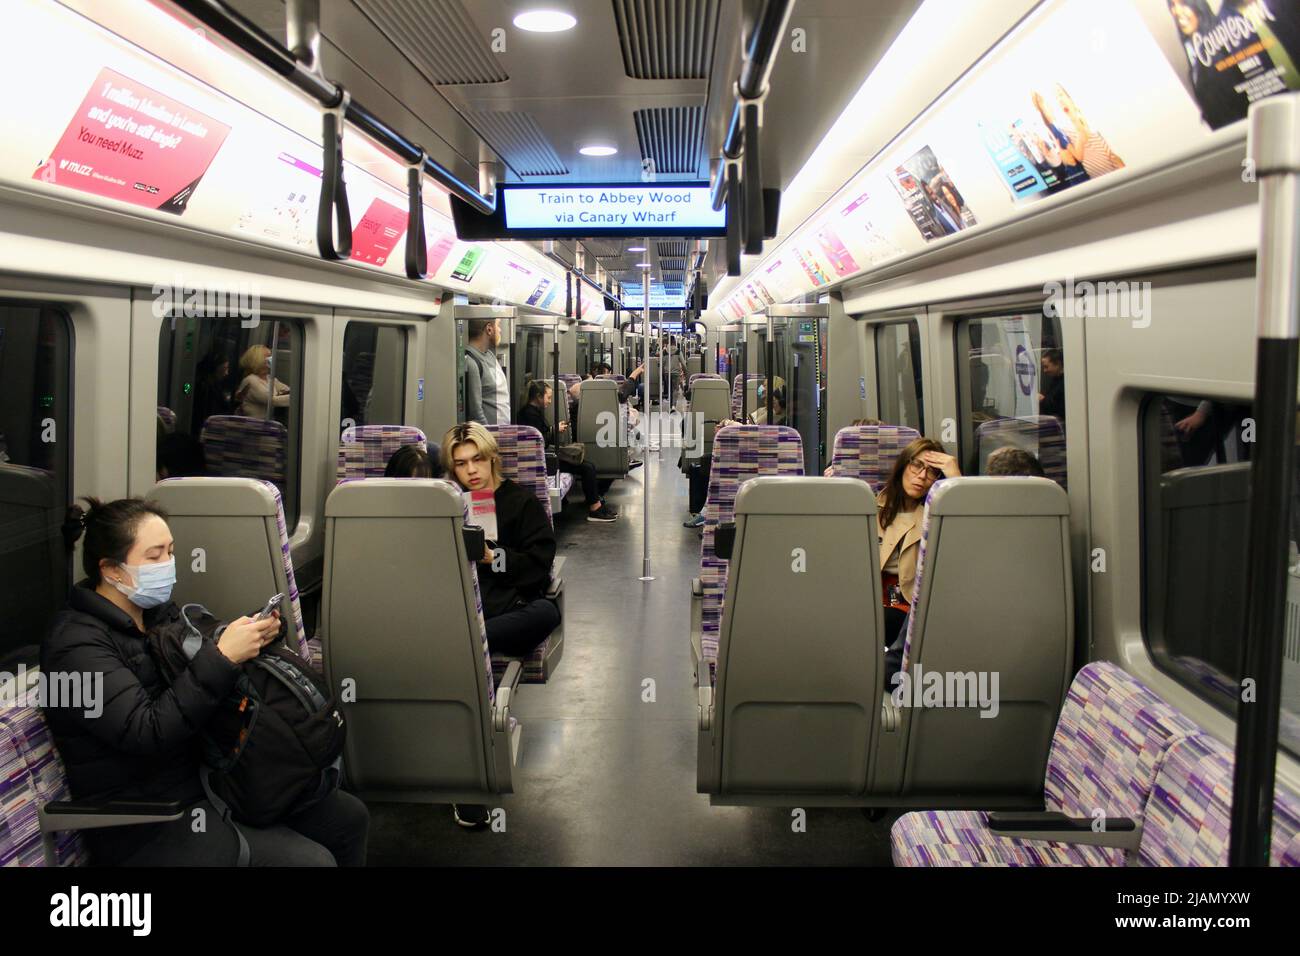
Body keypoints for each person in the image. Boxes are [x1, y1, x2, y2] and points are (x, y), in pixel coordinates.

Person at [42, 496, 369, 865]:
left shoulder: (154, 614)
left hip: (205, 778)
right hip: (146, 818)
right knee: (310, 862)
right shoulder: (75, 645)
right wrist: (223, 657)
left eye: (171, 552)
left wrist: (248, 636)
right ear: (112, 570)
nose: (168, 564)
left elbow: (199, 658)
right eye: (154, 556)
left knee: (347, 819)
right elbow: (147, 730)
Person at [441, 423, 559, 829]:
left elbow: (539, 567)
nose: (471, 471)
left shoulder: (521, 503)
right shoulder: (445, 506)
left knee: (546, 613)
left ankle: (462, 643)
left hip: (508, 607)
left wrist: (496, 559)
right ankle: (468, 772)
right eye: (461, 464)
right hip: (458, 607)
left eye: (477, 460)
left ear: (493, 458)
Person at [876, 438, 960, 688]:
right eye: (917, 466)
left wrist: (955, 481)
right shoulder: (871, 506)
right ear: (904, 465)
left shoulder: (936, 516)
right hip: (872, 597)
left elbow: (966, 543)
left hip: (909, 604)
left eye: (932, 472)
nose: (922, 476)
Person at [518, 380, 618, 521]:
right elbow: (538, 441)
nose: (550, 401)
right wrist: (554, 430)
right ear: (539, 396)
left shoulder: (531, 412)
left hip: (544, 457)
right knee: (587, 468)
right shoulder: (529, 415)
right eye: (548, 397)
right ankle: (594, 509)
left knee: (587, 466)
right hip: (541, 460)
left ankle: (594, 502)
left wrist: (553, 429)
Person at [462, 317, 509, 426]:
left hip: (503, 431)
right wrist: (488, 434)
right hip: (490, 433)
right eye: (498, 325)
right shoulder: (471, 361)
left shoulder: (490, 355)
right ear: (489, 329)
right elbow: (476, 413)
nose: (500, 330)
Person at [234, 345, 290, 420]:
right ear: (258, 359)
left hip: (266, 423)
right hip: (253, 424)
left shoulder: (269, 378)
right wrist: (296, 398)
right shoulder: (251, 380)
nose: (271, 359)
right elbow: (271, 400)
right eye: (268, 356)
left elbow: (287, 390)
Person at [191, 352, 233, 433]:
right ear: (215, 368)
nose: (227, 373)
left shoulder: (211, 384)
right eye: (224, 368)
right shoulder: (207, 387)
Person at [1038, 348, 1065, 419]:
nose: (1044, 370)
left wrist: (1042, 400)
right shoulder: (1055, 380)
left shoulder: (1065, 383)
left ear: (1058, 364)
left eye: (1046, 367)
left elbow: (1058, 409)